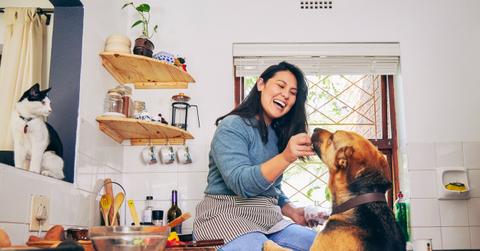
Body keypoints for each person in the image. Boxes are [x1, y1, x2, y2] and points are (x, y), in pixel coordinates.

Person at [193, 61, 318, 251]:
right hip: (226, 215)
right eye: (280, 86)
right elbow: (242, 183)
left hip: (269, 219)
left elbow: (271, 187)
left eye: (293, 93)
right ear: (261, 84)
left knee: (322, 243)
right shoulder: (232, 126)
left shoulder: (277, 135)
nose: (286, 95)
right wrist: (285, 157)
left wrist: (292, 211)